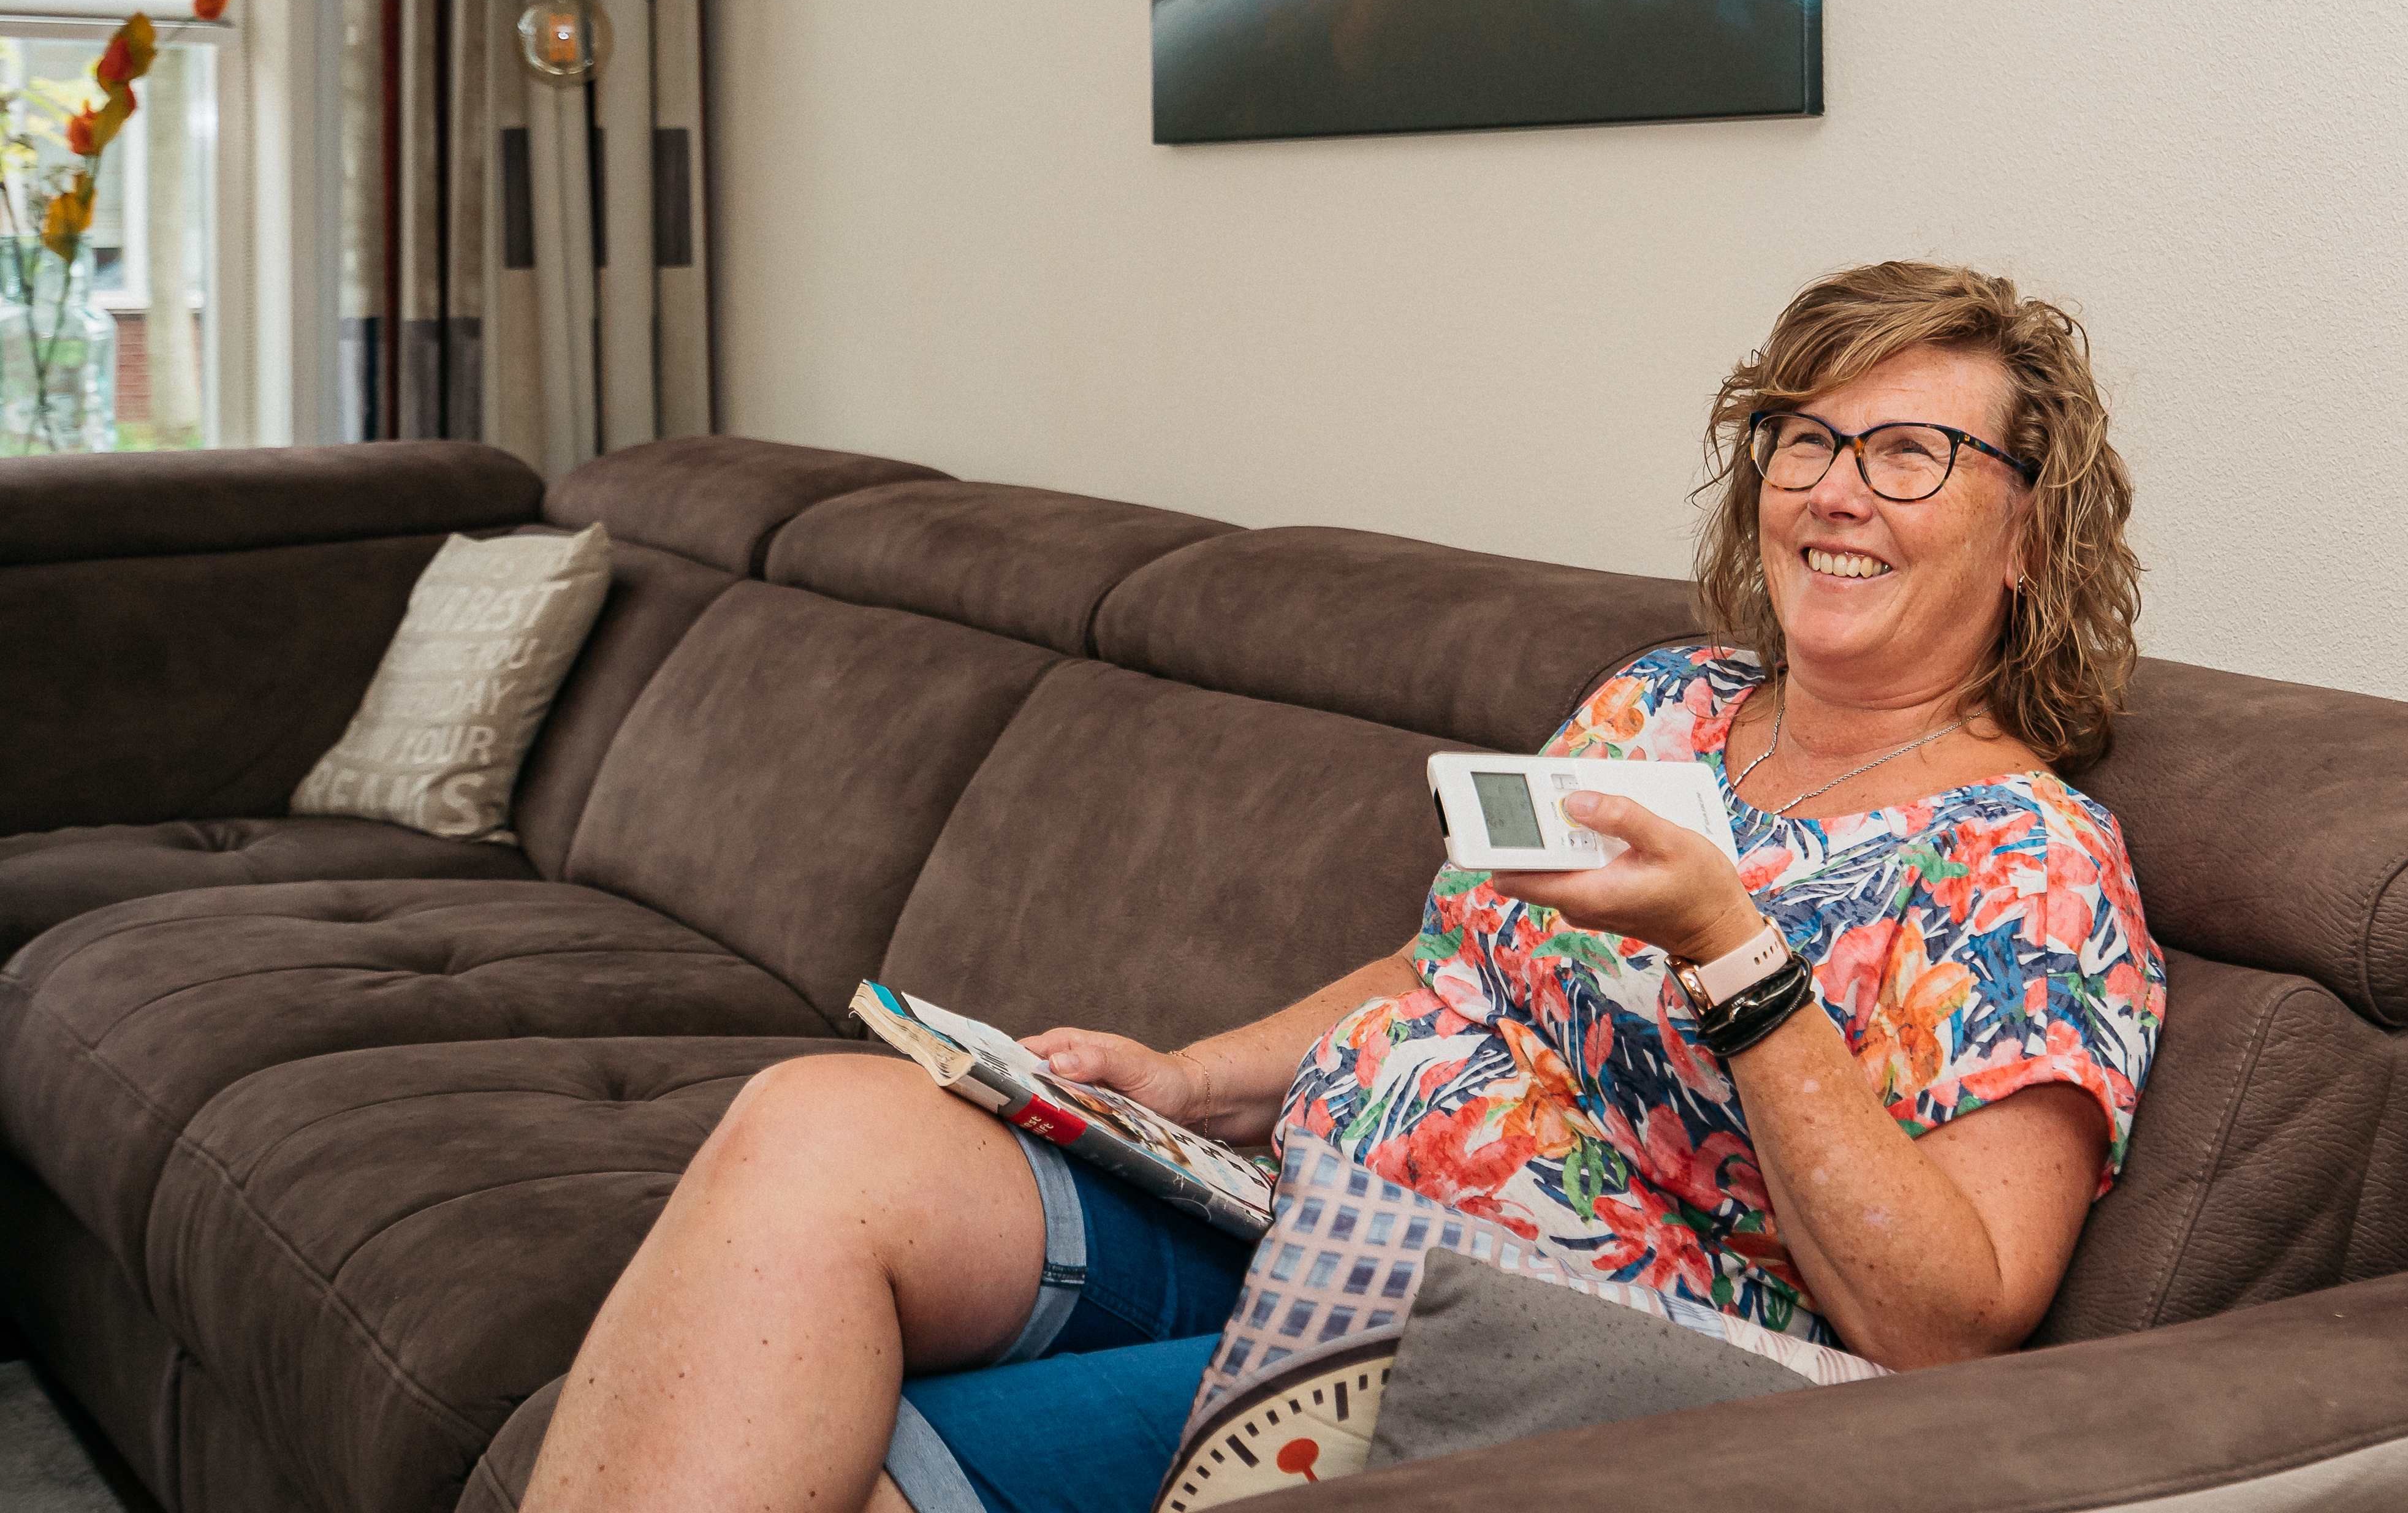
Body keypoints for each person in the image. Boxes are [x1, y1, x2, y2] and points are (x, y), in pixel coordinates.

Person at [520, 261, 2165, 1513]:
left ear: (2025, 538)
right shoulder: (1662, 703)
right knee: (813, 1127)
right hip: (1296, 1209)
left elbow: (1949, 1326)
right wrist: (1188, 1083)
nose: (1832, 490)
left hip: (1494, 1343)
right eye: (1805, 439)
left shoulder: (2028, 864)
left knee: (837, 1438)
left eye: (1907, 452)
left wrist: (1732, 952)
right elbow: (1443, 970)